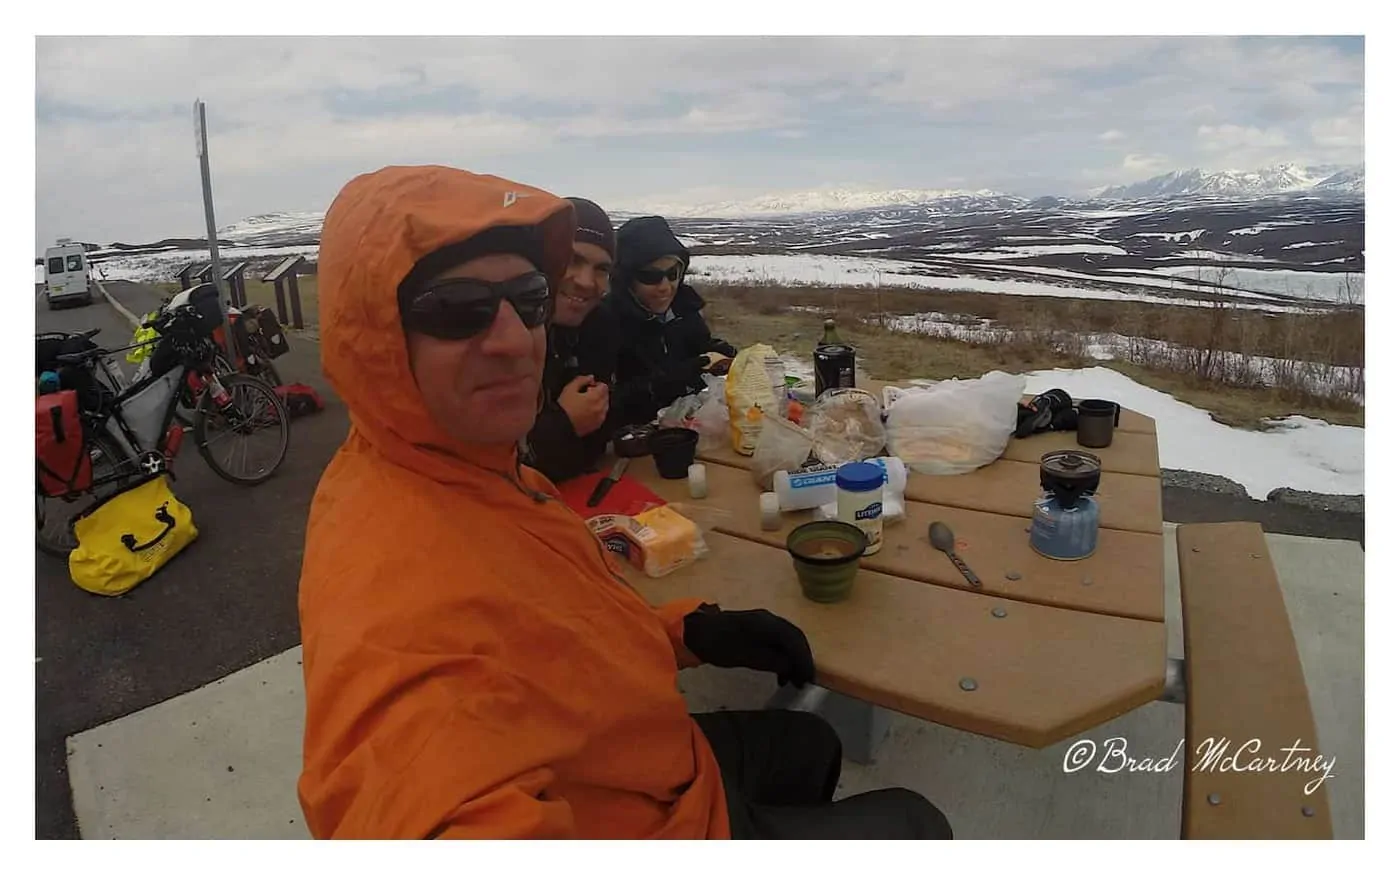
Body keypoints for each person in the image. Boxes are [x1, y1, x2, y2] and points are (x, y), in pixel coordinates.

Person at [297, 164, 953, 840]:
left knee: (811, 743)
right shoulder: (394, 585)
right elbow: (415, 791)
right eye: (457, 309)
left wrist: (684, 631)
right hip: (651, 821)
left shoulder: (479, 472)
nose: (513, 339)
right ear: (373, 334)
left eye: (528, 300)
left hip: (645, 758)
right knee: (916, 826)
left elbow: (567, 631)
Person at [522, 197, 623, 483]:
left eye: (601, 269)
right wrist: (563, 426)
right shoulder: (501, 332)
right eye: (572, 260)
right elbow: (479, 462)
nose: (586, 281)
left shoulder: (598, 327)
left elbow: (593, 443)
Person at [602, 215, 737, 426]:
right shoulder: (606, 322)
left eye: (673, 273)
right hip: (635, 438)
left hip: (689, 425)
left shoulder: (684, 309)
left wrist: (717, 351)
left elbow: (697, 348)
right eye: (650, 277)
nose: (665, 286)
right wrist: (667, 381)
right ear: (627, 278)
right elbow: (607, 401)